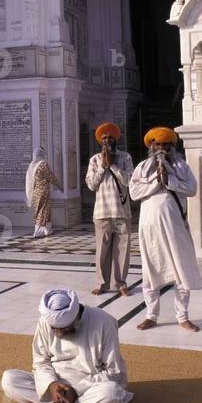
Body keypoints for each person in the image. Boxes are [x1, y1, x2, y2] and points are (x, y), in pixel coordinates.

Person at [1, 288, 133, 403]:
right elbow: (41, 361)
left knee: (111, 393)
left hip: (90, 386)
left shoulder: (104, 322)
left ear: (76, 316)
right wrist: (51, 385)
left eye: (65, 328)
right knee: (9, 380)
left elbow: (115, 372)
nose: (59, 332)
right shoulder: (45, 322)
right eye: (54, 328)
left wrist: (76, 390)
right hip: (56, 385)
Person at [129, 126, 202, 333]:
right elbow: (134, 192)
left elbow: (192, 188)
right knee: (150, 271)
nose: (161, 148)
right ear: (151, 146)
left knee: (181, 270)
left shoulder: (180, 166)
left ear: (171, 146)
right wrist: (156, 180)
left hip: (175, 227)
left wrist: (169, 178)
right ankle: (151, 315)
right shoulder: (142, 167)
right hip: (150, 228)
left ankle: (183, 316)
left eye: (165, 144)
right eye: (157, 144)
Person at [85, 122, 134, 296]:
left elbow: (129, 181)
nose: (107, 141)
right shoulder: (94, 160)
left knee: (122, 250)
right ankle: (102, 283)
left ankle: (120, 283)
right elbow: (91, 185)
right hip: (102, 212)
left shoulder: (125, 158)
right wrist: (103, 167)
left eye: (110, 137)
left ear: (115, 139)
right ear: (100, 141)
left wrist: (113, 165)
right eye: (104, 138)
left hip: (122, 212)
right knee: (102, 251)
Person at [25, 146, 63, 237]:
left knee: (44, 210)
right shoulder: (43, 164)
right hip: (43, 192)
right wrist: (59, 186)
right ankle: (37, 231)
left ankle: (47, 229)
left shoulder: (32, 165)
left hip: (35, 192)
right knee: (42, 210)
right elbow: (51, 176)